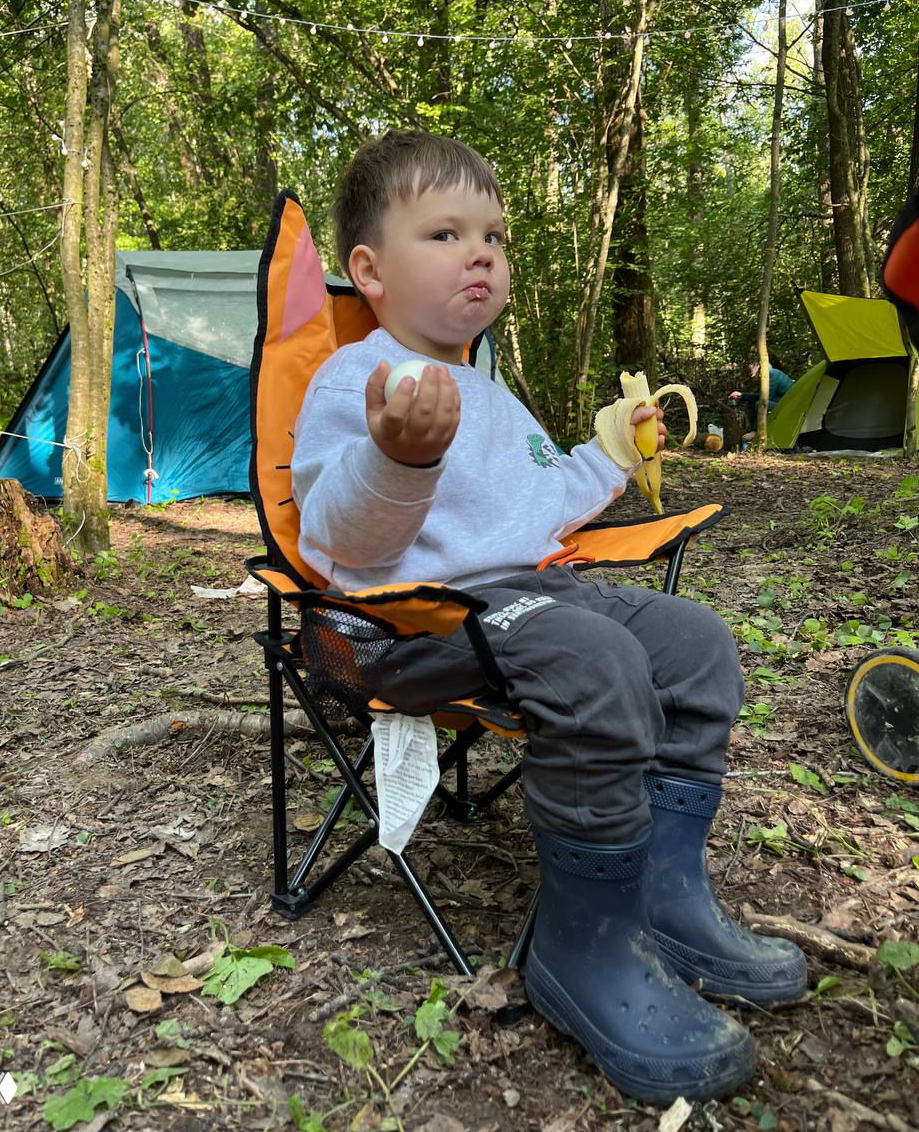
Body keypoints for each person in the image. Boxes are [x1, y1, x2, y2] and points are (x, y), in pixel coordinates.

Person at [291, 130, 806, 1107]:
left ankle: (664, 895)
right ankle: (586, 948)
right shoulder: (357, 381)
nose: (481, 253)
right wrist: (398, 458)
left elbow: (543, 500)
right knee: (595, 658)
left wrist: (612, 453)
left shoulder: (491, 393)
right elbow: (338, 537)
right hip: (412, 623)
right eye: (445, 233)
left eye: (493, 235)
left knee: (695, 644)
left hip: (531, 597)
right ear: (372, 271)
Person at [729, 359, 795, 438]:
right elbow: (762, 396)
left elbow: (765, 399)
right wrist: (742, 396)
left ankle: (756, 431)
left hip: (788, 405)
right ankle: (751, 430)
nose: (753, 378)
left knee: (760, 404)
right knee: (750, 404)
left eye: (753, 375)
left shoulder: (772, 375)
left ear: (759, 368)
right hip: (778, 401)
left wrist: (743, 395)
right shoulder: (767, 376)